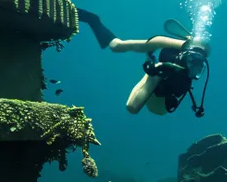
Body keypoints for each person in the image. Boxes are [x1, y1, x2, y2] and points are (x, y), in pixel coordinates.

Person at [77, 8, 209, 117]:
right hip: (164, 51)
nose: (195, 66)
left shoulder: (174, 73)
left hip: (159, 105)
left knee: (159, 67)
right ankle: (93, 20)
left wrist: (154, 71)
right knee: (116, 46)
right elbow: (120, 46)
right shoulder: (169, 44)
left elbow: (132, 107)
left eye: (199, 64)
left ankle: (154, 62)